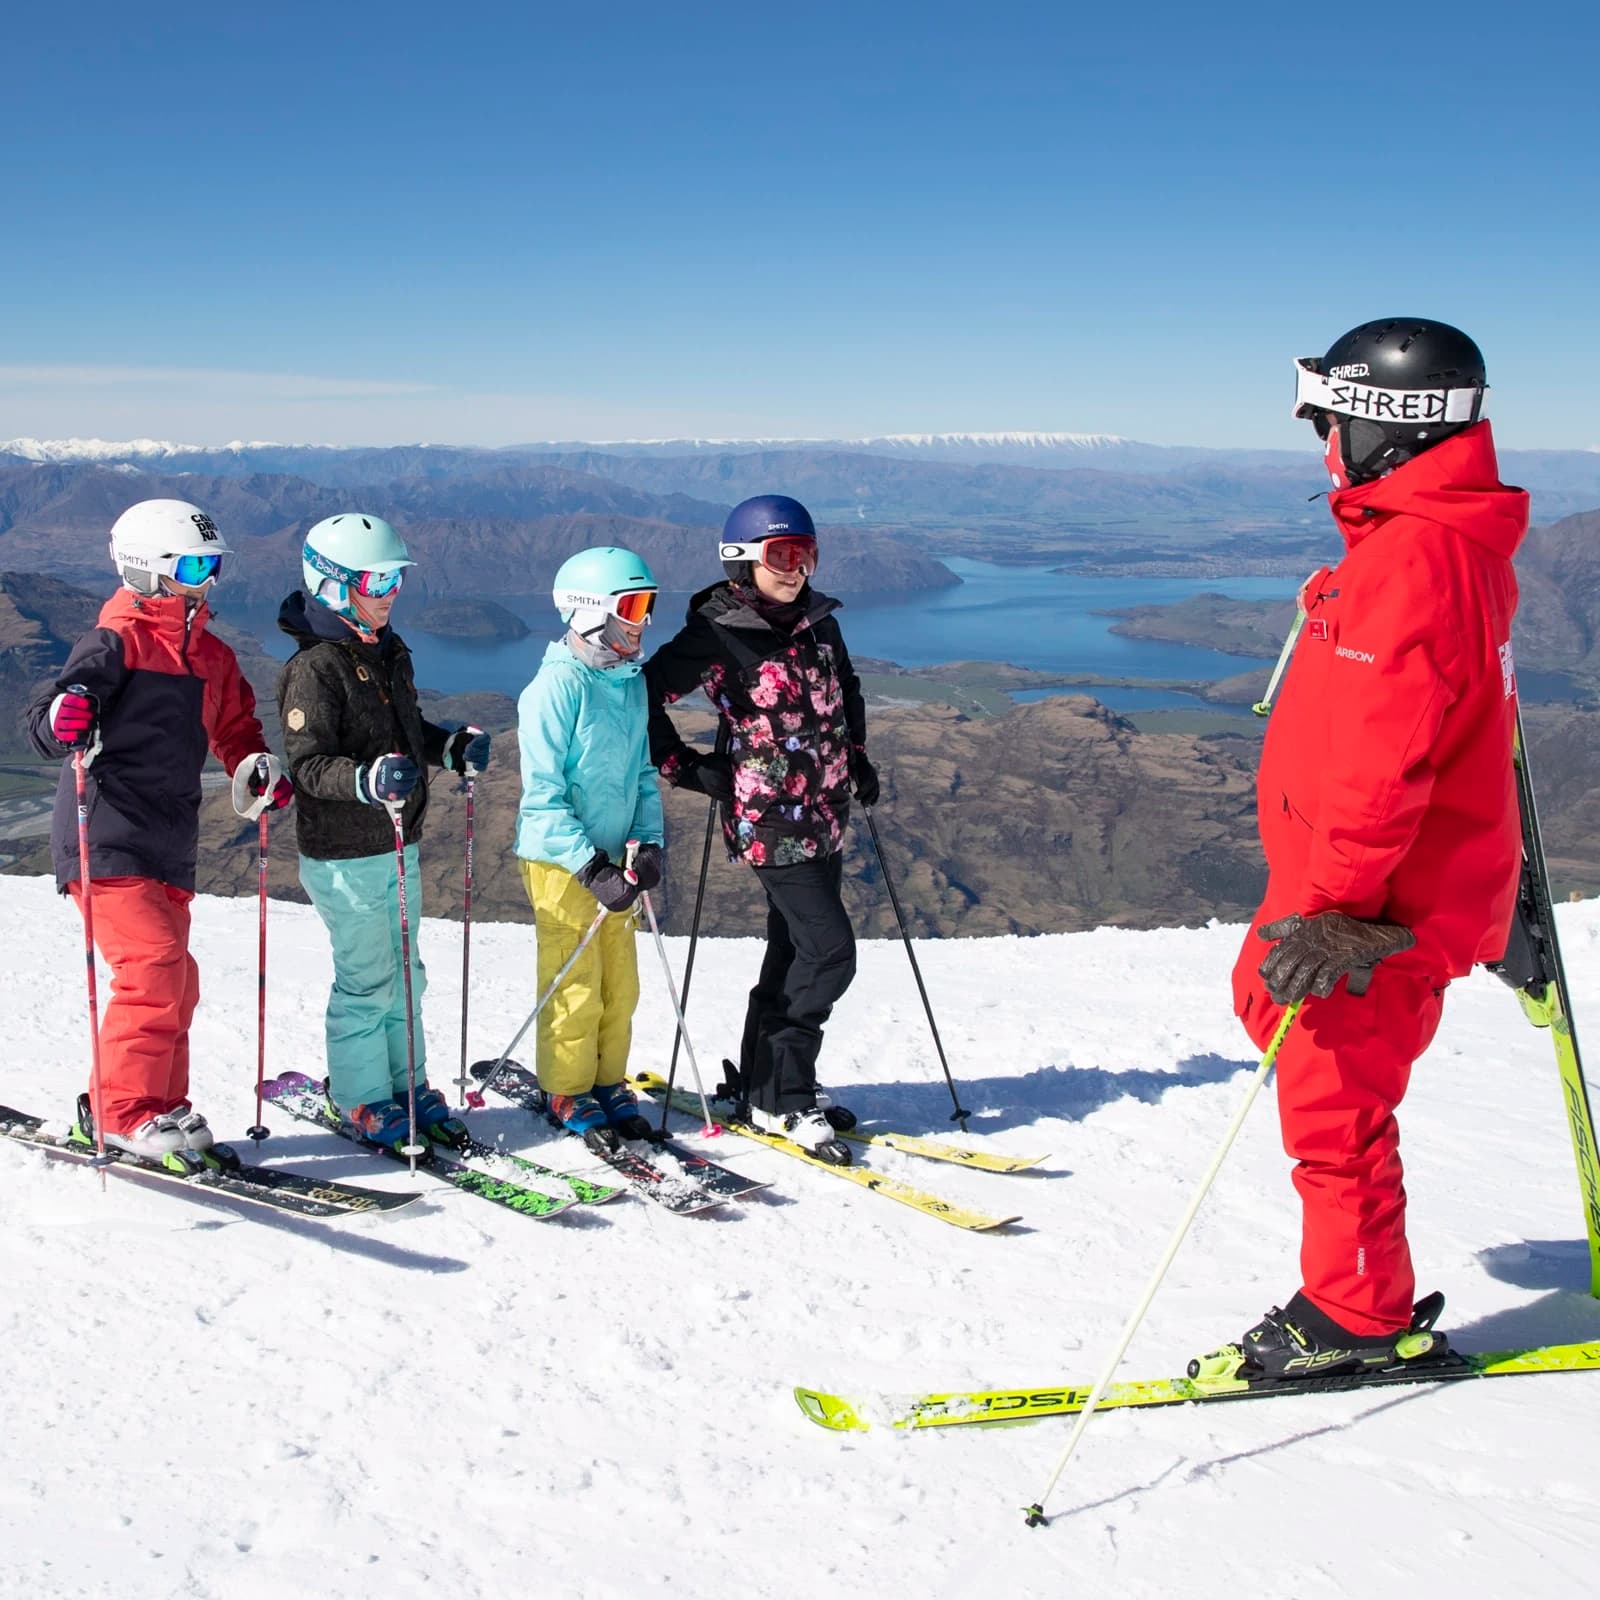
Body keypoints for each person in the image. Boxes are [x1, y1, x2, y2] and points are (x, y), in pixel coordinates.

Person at [1206, 318, 1528, 1378]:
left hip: (1362, 912)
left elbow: (1379, 763)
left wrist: (1337, 906)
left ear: (1383, 425)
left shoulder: (1410, 562)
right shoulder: (1440, 547)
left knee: (1333, 1107)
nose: (1323, 444)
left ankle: (1351, 1316)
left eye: (1331, 421)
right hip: (1369, 896)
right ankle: (1364, 1290)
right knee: (1334, 1091)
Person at [26, 498, 292, 1157]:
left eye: (214, 565)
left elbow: (235, 730)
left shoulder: (213, 658)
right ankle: (124, 1110)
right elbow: (55, 705)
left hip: (168, 839)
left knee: (177, 977)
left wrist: (255, 767)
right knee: (149, 965)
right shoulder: (116, 640)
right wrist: (65, 712)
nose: (209, 580)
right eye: (196, 565)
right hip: (104, 830)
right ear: (148, 569)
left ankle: (162, 1106)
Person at [644, 495, 878, 1164]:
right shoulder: (718, 631)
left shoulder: (818, 622)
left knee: (793, 950)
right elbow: (643, 696)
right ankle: (784, 1096)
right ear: (742, 560)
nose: (797, 567)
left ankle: (763, 1086)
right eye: (781, 555)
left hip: (827, 810)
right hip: (771, 819)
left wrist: (857, 760)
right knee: (831, 953)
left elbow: (847, 689)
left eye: (806, 552)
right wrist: (684, 767)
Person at [276, 513, 490, 1148]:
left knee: (406, 972)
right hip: (345, 854)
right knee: (368, 979)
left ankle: (407, 1084)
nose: (391, 590)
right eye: (377, 578)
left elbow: (403, 732)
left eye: (397, 577)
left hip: (397, 843)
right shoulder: (315, 667)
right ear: (335, 584)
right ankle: (362, 1097)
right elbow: (308, 764)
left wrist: (446, 747)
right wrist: (367, 781)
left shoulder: (385, 648)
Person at [515, 546, 665, 1154]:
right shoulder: (556, 688)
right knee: (574, 981)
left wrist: (649, 842)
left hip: (614, 863)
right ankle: (566, 1089)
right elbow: (542, 800)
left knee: (619, 984)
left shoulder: (629, 684)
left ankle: (607, 1081)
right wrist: (589, 864)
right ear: (589, 613)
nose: (642, 621)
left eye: (647, 606)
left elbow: (644, 774)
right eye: (632, 606)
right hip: (562, 864)